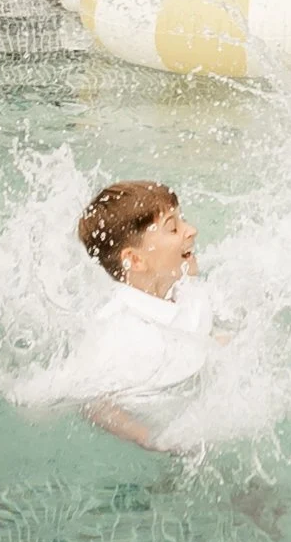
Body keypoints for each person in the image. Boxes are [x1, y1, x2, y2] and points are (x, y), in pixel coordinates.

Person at [72, 179, 219, 449]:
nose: (192, 231)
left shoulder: (186, 290)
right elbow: (92, 403)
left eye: (182, 220)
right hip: (164, 444)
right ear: (136, 260)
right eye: (173, 228)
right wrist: (146, 437)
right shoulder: (120, 333)